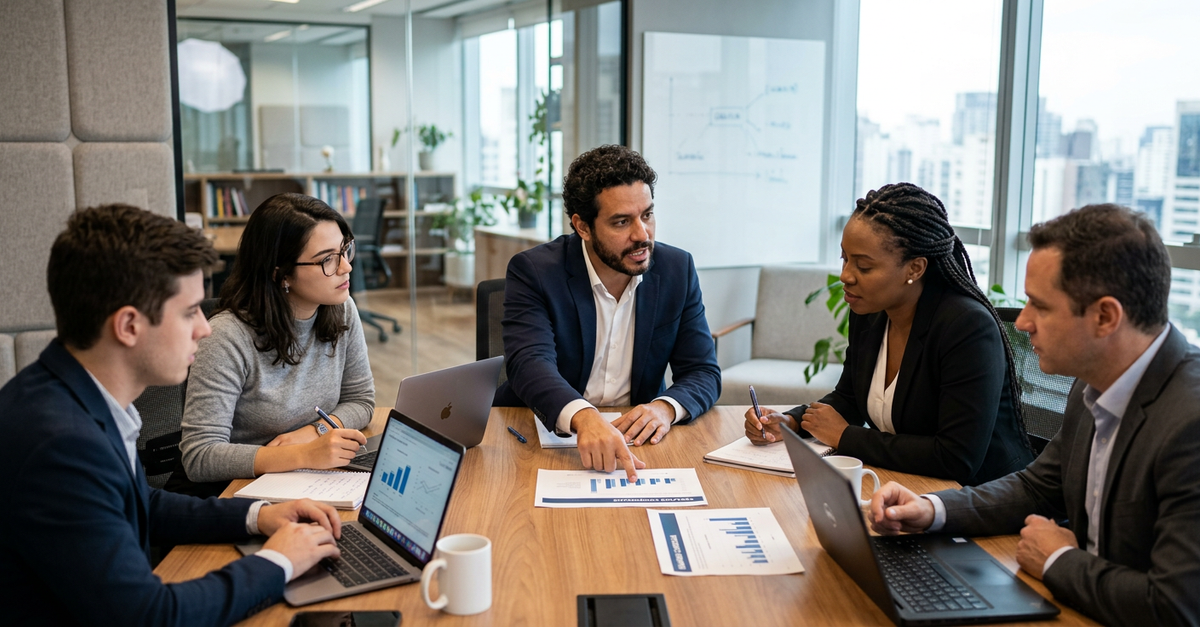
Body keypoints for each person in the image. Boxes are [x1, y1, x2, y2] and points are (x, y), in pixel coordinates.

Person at [0, 204, 343, 625]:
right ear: (129, 326)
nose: (204, 328)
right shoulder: (61, 445)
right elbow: (150, 617)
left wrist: (258, 515)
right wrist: (278, 562)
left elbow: (141, 503)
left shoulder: (73, 396)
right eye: (188, 312)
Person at [869, 204, 1200, 625]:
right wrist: (932, 509)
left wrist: (1058, 559)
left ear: (1105, 317)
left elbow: (1175, 607)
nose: (1023, 322)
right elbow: (1037, 487)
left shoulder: (1190, 422)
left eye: (1039, 306)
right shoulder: (1094, 382)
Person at [746, 183, 1033, 485]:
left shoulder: (966, 327)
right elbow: (850, 398)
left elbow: (956, 458)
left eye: (863, 266)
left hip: (984, 496)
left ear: (915, 268)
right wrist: (791, 423)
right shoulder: (869, 312)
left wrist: (845, 437)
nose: (845, 275)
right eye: (845, 259)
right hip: (910, 485)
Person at [495, 144, 721, 480]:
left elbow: (702, 371)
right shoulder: (535, 271)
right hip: (538, 437)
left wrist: (665, 408)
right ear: (583, 227)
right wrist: (584, 417)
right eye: (621, 222)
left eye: (647, 215)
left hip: (637, 445)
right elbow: (529, 363)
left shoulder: (677, 269)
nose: (642, 235)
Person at [172, 193, 373, 496]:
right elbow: (200, 456)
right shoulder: (226, 337)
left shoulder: (341, 309)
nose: (346, 267)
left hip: (304, 478)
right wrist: (303, 454)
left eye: (344, 250)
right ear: (281, 275)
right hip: (233, 490)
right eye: (327, 260)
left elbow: (361, 400)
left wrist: (314, 432)